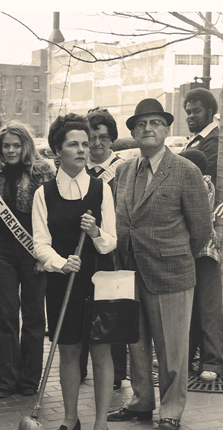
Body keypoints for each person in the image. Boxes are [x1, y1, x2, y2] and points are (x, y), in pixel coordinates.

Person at [107, 98, 212, 430]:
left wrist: (174, 255)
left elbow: (201, 229)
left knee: (171, 350)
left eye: (154, 123)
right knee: (136, 343)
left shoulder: (185, 171)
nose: (147, 129)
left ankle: (170, 412)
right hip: (130, 272)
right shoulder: (123, 171)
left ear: (167, 130)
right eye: (141, 124)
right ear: (134, 132)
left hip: (171, 273)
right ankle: (141, 402)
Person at [33, 114, 117, 430]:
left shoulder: (101, 189)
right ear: (58, 150)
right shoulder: (44, 193)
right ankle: (70, 420)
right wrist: (60, 263)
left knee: (100, 352)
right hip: (62, 281)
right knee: (67, 351)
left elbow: (111, 241)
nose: (83, 149)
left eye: (86, 143)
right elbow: (39, 243)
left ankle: (100, 426)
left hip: (97, 280)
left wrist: (95, 232)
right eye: (74, 144)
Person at [0, 121, 56, 398]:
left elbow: (52, 215)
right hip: (4, 252)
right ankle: (3, 380)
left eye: (16, 145)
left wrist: (45, 255)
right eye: (6, 146)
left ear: (26, 145)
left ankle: (29, 380)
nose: (11, 150)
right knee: (3, 316)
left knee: (35, 317)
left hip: (34, 252)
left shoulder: (44, 171)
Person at [182, 88, 223, 354]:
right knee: (214, 286)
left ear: (210, 111)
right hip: (201, 216)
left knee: (213, 287)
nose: (191, 117)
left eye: (196, 111)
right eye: (188, 112)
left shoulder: (216, 139)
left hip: (211, 217)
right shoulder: (196, 140)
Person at [83, 107, 128, 390]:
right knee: (82, 308)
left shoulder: (123, 168)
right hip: (83, 252)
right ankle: (79, 368)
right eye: (91, 137)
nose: (96, 143)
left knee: (114, 310)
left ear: (112, 138)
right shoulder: (78, 168)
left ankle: (117, 373)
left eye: (102, 137)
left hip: (114, 251)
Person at [178, 149, 223, 382]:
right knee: (189, 309)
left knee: (207, 309)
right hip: (189, 253)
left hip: (203, 253)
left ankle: (212, 363)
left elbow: (193, 220)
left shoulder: (202, 183)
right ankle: (185, 359)